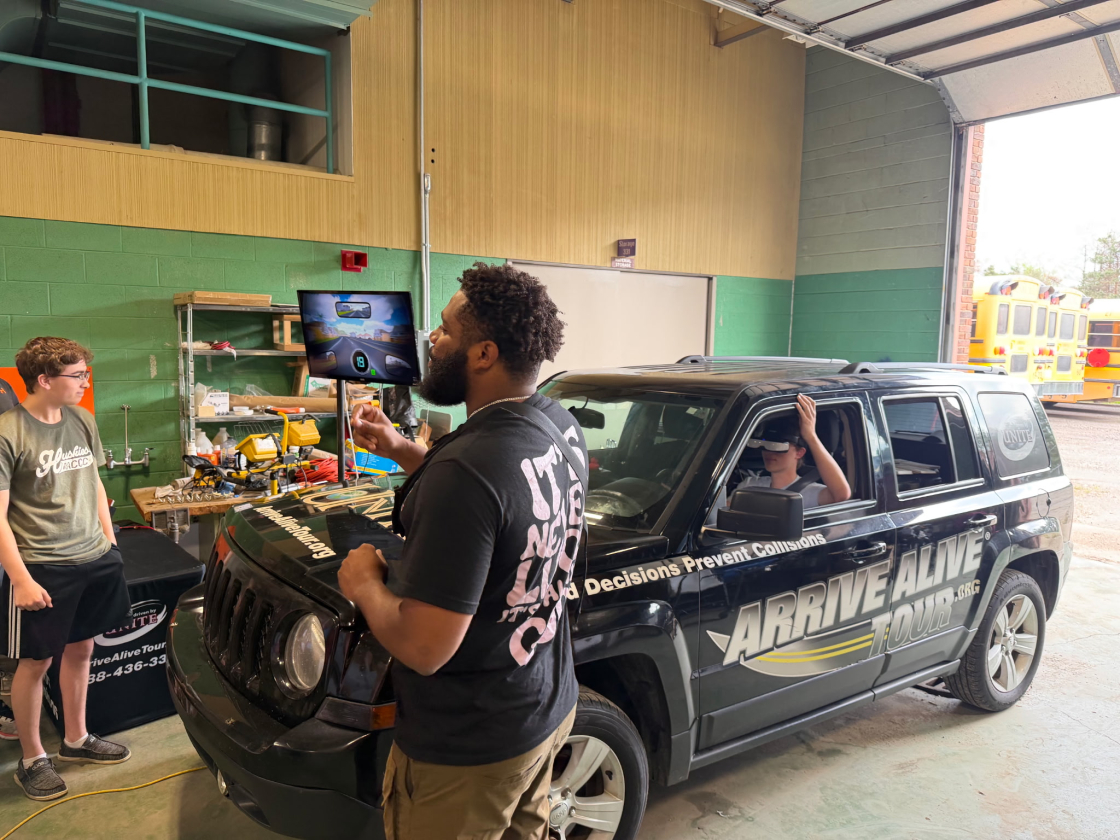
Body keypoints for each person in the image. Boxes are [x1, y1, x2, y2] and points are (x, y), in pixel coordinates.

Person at [337, 263, 585, 840]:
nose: (432, 338)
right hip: (542, 706)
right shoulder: (556, 424)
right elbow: (504, 505)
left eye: (446, 329)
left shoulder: (468, 470)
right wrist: (402, 448)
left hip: (470, 749)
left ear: (483, 354)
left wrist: (365, 584)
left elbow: (426, 647)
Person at [0, 337, 132, 801]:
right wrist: (20, 579)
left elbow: (93, 481)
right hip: (42, 565)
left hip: (94, 557)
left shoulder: (82, 419)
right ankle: (32, 759)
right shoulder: (8, 432)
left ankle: (76, 738)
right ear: (43, 379)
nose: (85, 383)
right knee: (35, 662)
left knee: (82, 649)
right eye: (77, 375)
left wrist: (110, 542)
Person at [732, 394, 851, 509]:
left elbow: (841, 495)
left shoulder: (810, 492)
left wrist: (811, 436)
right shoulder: (749, 486)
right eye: (766, 445)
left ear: (800, 453)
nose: (770, 452)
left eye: (778, 447)